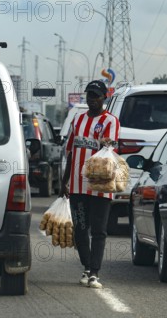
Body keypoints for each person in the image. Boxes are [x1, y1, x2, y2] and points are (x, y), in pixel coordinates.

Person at [60, 80, 120, 289]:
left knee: (99, 230)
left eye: (96, 96)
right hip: (77, 185)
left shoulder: (110, 121)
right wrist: (64, 180)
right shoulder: (78, 119)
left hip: (100, 185)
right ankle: (87, 266)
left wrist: (104, 144)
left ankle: (94, 272)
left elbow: (110, 149)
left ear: (104, 98)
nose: (92, 100)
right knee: (80, 228)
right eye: (89, 96)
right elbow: (70, 150)